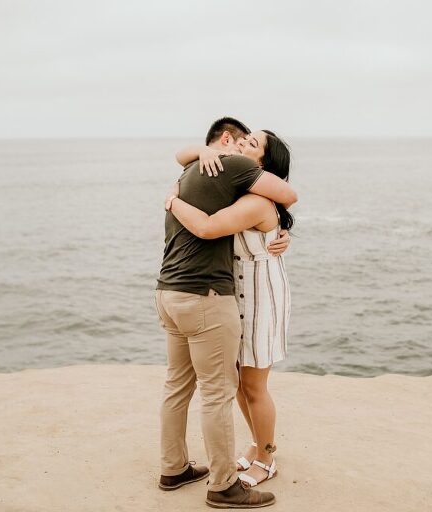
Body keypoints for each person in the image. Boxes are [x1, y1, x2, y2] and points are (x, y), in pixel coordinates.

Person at [155, 117, 296, 509]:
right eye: (242, 139)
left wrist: (173, 199)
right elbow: (186, 158)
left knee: (252, 385)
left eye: (252, 143)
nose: (241, 143)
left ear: (263, 165)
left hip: (260, 298)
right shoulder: (231, 184)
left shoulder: (254, 199)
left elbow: (208, 227)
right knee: (233, 384)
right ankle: (253, 448)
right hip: (227, 297)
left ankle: (266, 456)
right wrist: (198, 157)